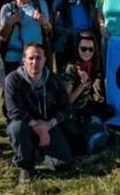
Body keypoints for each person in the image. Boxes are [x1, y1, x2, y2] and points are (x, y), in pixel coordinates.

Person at [4, 43, 73, 184]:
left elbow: (65, 108)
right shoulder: (13, 80)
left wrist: (48, 125)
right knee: (16, 128)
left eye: (38, 58)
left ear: (45, 59)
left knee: (64, 164)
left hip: (48, 125)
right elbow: (14, 111)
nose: (34, 62)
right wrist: (38, 127)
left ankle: (38, 155)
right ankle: (26, 167)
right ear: (24, 60)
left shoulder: (54, 80)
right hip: (25, 126)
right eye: (31, 58)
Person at [60, 31, 114, 155]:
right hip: (73, 110)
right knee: (77, 143)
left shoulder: (92, 65)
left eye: (91, 49)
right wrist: (81, 86)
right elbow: (67, 101)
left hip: (86, 106)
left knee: (109, 111)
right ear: (77, 49)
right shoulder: (71, 68)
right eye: (83, 49)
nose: (87, 53)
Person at [0, 0, 51, 75]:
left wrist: (44, 22)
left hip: (36, 57)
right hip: (13, 58)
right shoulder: (7, 8)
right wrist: (9, 23)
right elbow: (3, 35)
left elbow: (48, 30)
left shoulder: (41, 5)